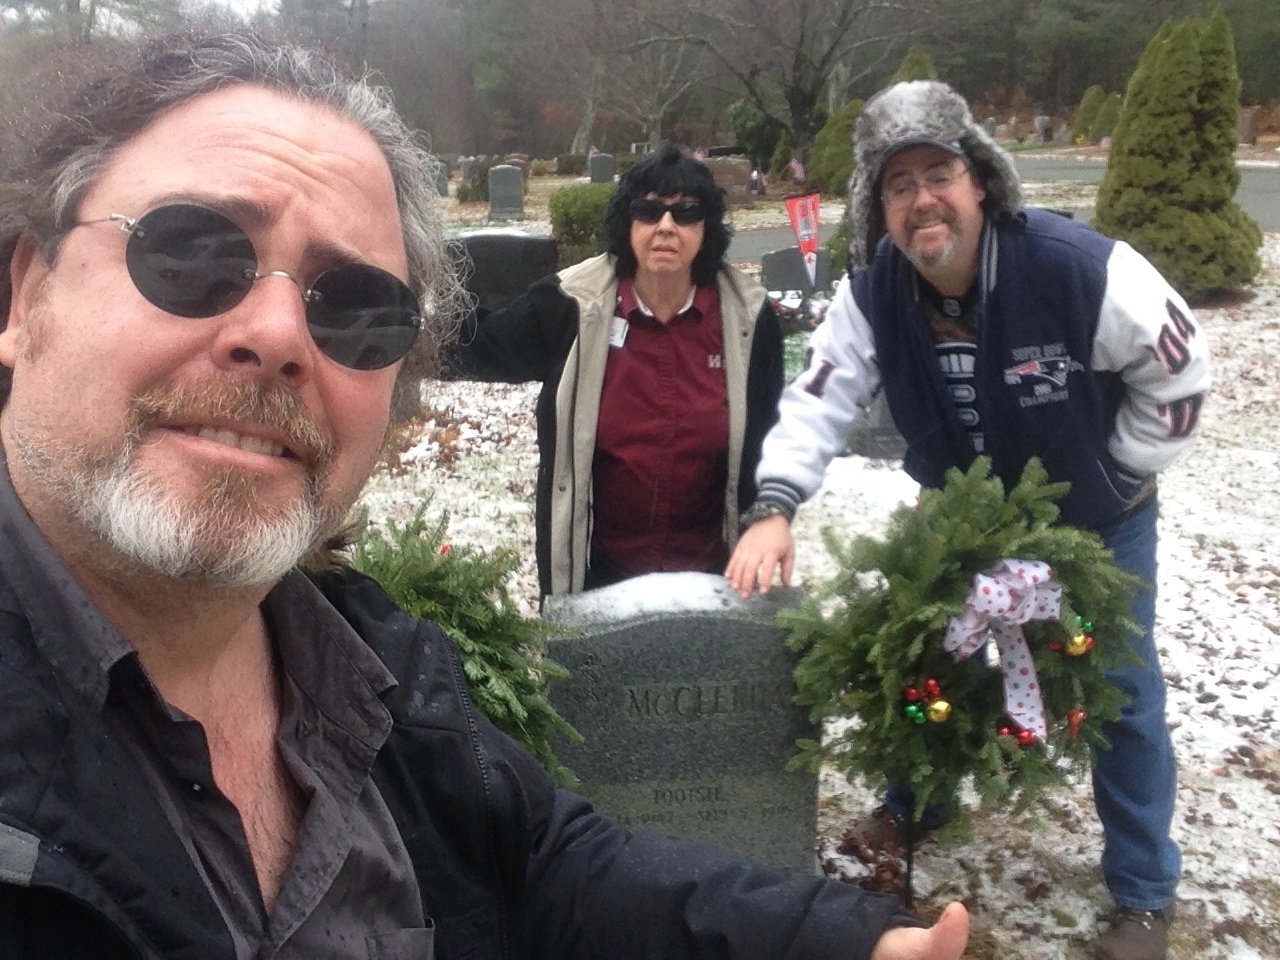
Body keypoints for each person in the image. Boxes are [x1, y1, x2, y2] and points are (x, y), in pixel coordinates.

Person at [0, 32, 970, 959]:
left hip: (711, 566)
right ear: (22, 292)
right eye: (191, 256)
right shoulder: (576, 305)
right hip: (598, 567)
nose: (280, 334)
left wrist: (823, 939)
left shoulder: (385, 682)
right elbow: (486, 342)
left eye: (355, 306)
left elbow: (544, 870)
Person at [727, 79, 1210, 960]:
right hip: (959, 515)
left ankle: (1143, 892)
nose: (922, 200)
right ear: (879, 207)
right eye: (898, 184)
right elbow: (818, 400)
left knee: (1123, 693)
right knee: (928, 662)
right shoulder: (873, 295)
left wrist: (1111, 477)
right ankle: (917, 804)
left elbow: (1179, 372)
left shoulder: (1076, 268)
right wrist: (774, 504)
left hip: (1097, 521)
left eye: (939, 174)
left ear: (980, 179)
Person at [447, 144, 783, 597]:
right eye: (649, 211)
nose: (666, 226)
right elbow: (478, 346)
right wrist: (396, 322)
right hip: (599, 578)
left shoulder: (749, 319)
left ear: (706, 228)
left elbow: (773, 441)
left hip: (714, 579)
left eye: (686, 213)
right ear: (628, 222)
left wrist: (771, 514)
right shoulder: (571, 305)